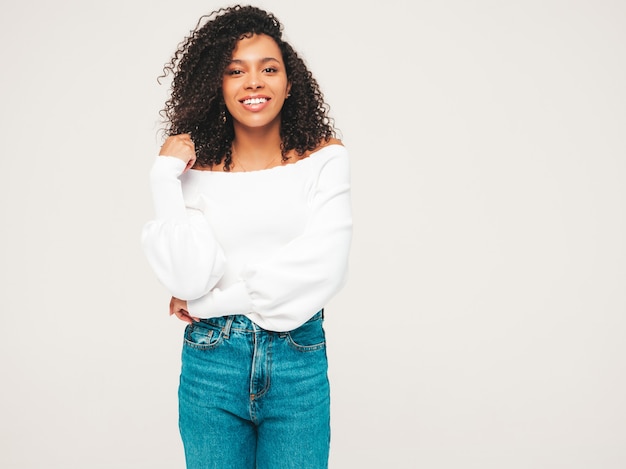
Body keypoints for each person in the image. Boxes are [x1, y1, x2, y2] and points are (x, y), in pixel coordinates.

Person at [141, 5, 352, 469]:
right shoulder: (192, 171)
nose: (253, 82)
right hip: (212, 362)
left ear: (289, 82)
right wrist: (163, 179)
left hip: (298, 359)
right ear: (217, 85)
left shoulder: (324, 159)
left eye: (268, 68)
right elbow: (187, 277)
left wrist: (206, 306)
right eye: (235, 71)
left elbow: (324, 267)